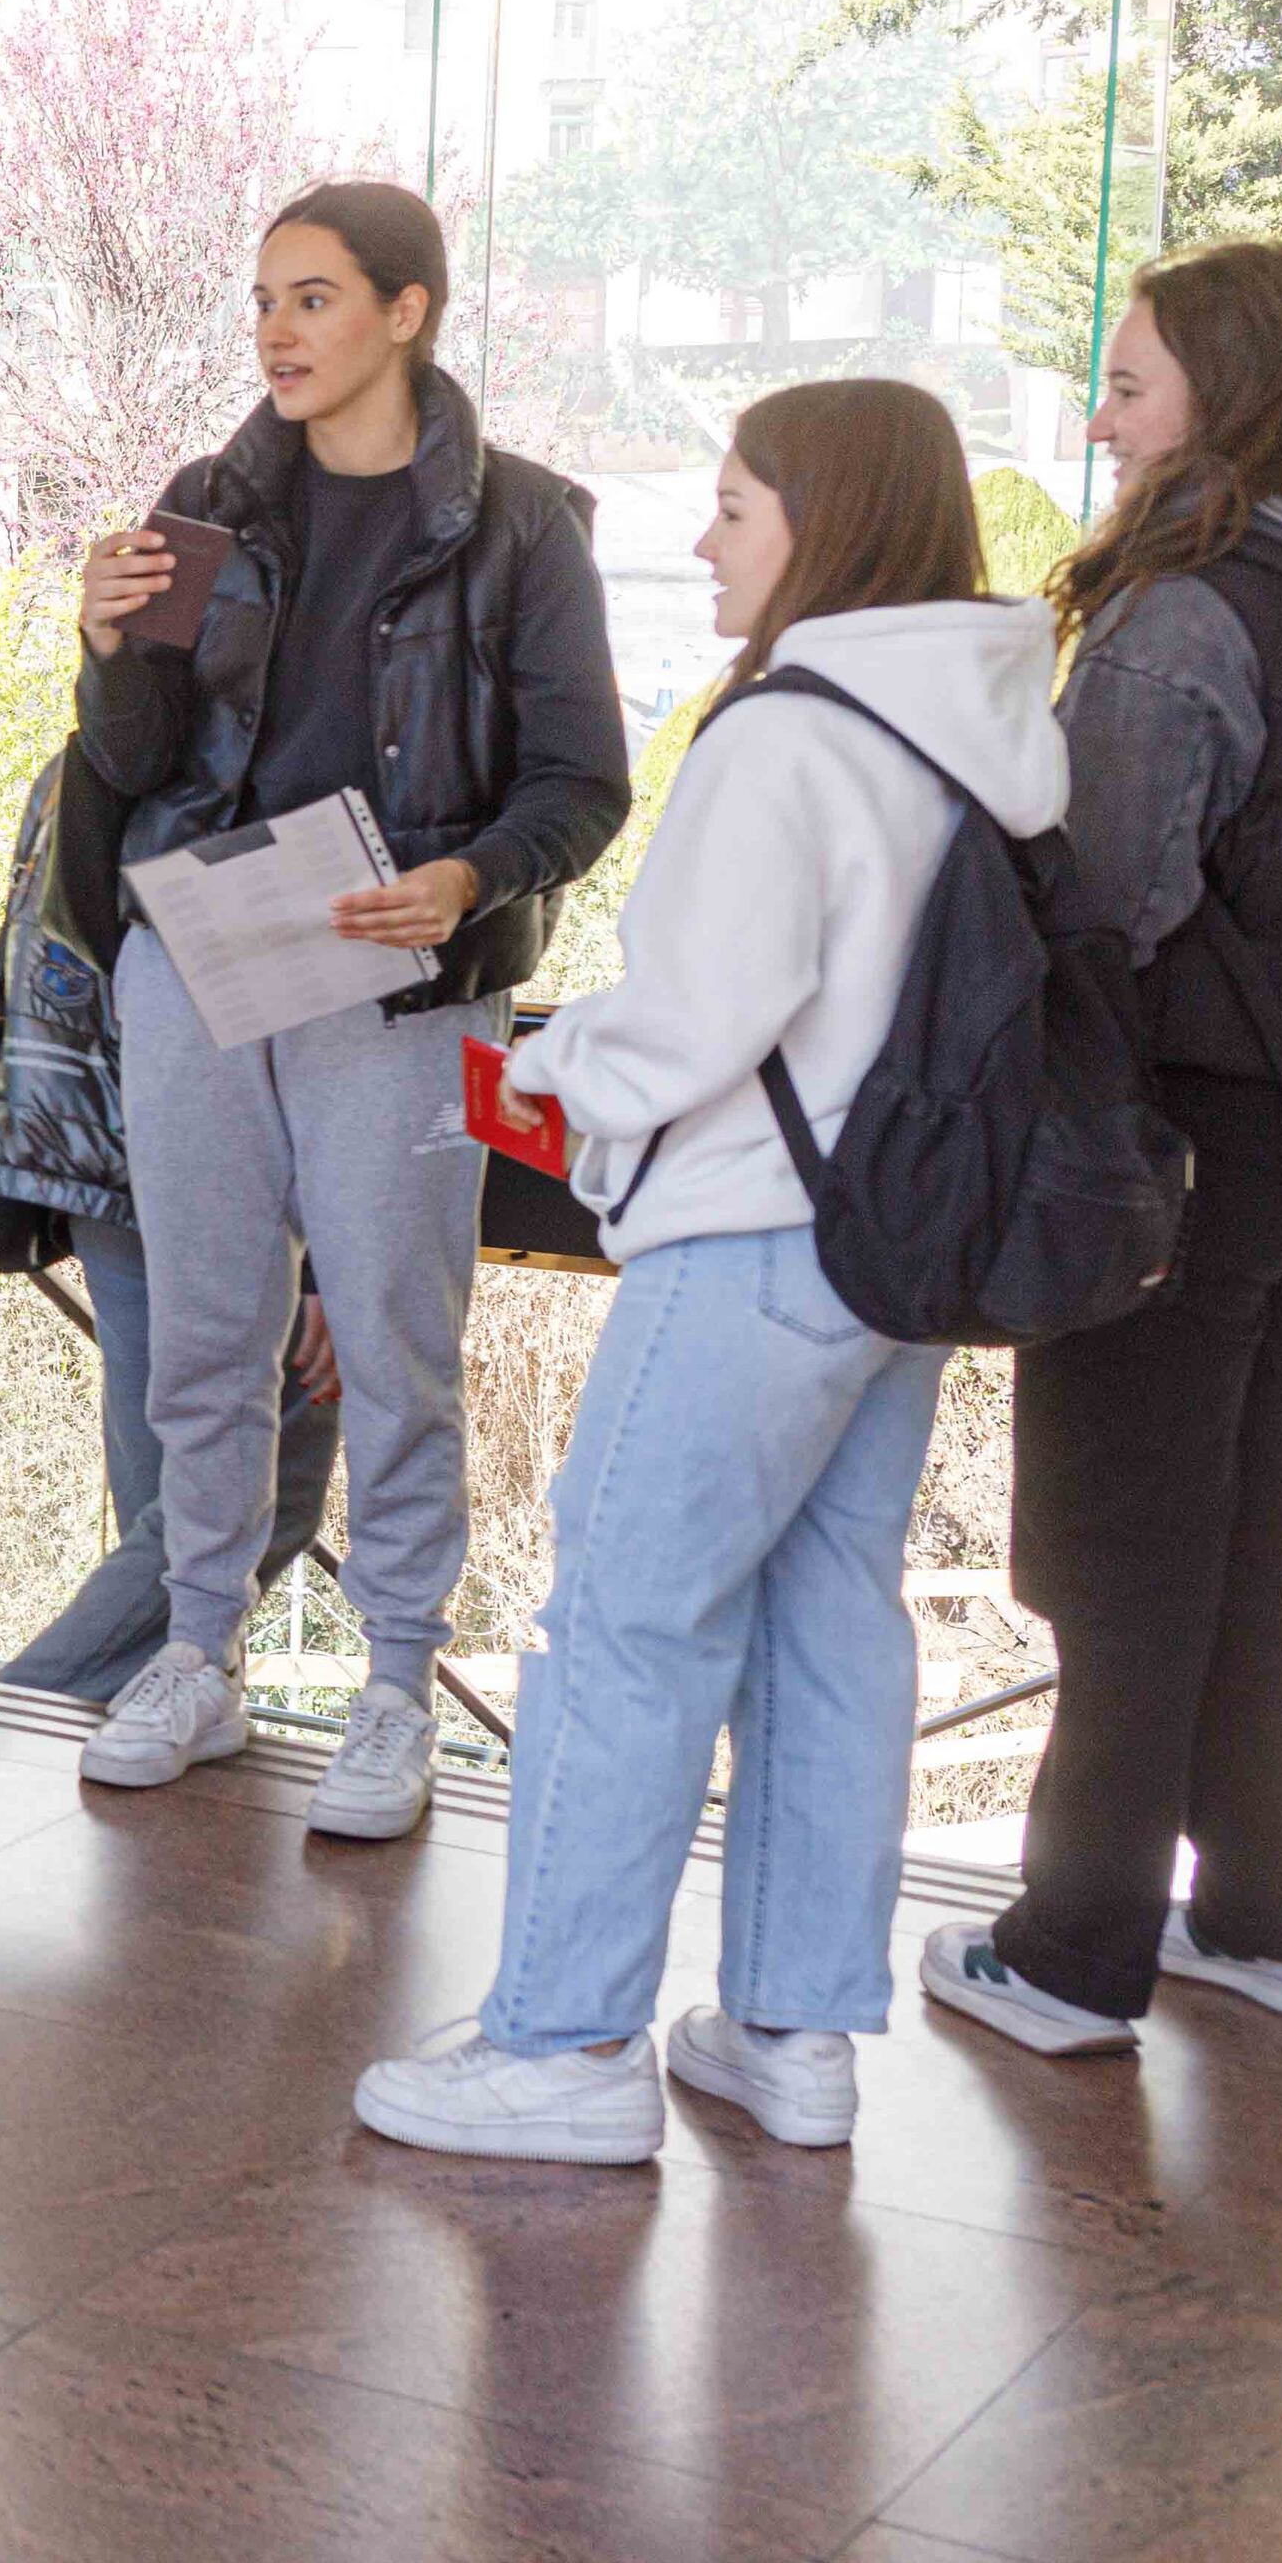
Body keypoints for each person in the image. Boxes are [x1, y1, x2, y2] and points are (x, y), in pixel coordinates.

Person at [353, 383, 1043, 2162]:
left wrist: (564, 1066)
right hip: (900, 1246)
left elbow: (698, 1018)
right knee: (831, 1621)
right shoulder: (990, 718)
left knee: (628, 1627)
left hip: (747, 1232)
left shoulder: (786, 733)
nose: (705, 537)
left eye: (735, 504)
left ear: (826, 516)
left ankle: (568, 2043)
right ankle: (794, 2027)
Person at [61, 181, 630, 1838]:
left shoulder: (523, 524)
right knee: (205, 1332)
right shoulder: (204, 509)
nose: (276, 331)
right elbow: (130, 765)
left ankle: (397, 1683)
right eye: (262, 300)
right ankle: (194, 1653)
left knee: (395, 1331)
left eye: (312, 298)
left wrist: (465, 879)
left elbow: (583, 780)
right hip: (200, 953)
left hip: (406, 973)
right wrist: (108, 649)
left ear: (409, 309)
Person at [928, 242, 1282, 2056]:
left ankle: (1071, 1950)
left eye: (1128, 386)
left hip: (1187, 1131)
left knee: (1124, 1536)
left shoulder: (1198, 604)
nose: (1104, 422)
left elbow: (1111, 894)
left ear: (1224, 387)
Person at [0, 759, 345, 1704]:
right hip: (214, 1171)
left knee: (167, 1503)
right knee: (242, 1503)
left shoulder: (83, 764)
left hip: (93, 1159)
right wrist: (324, 1261)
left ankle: (155, 1732)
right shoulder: (248, 780)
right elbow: (287, 1031)